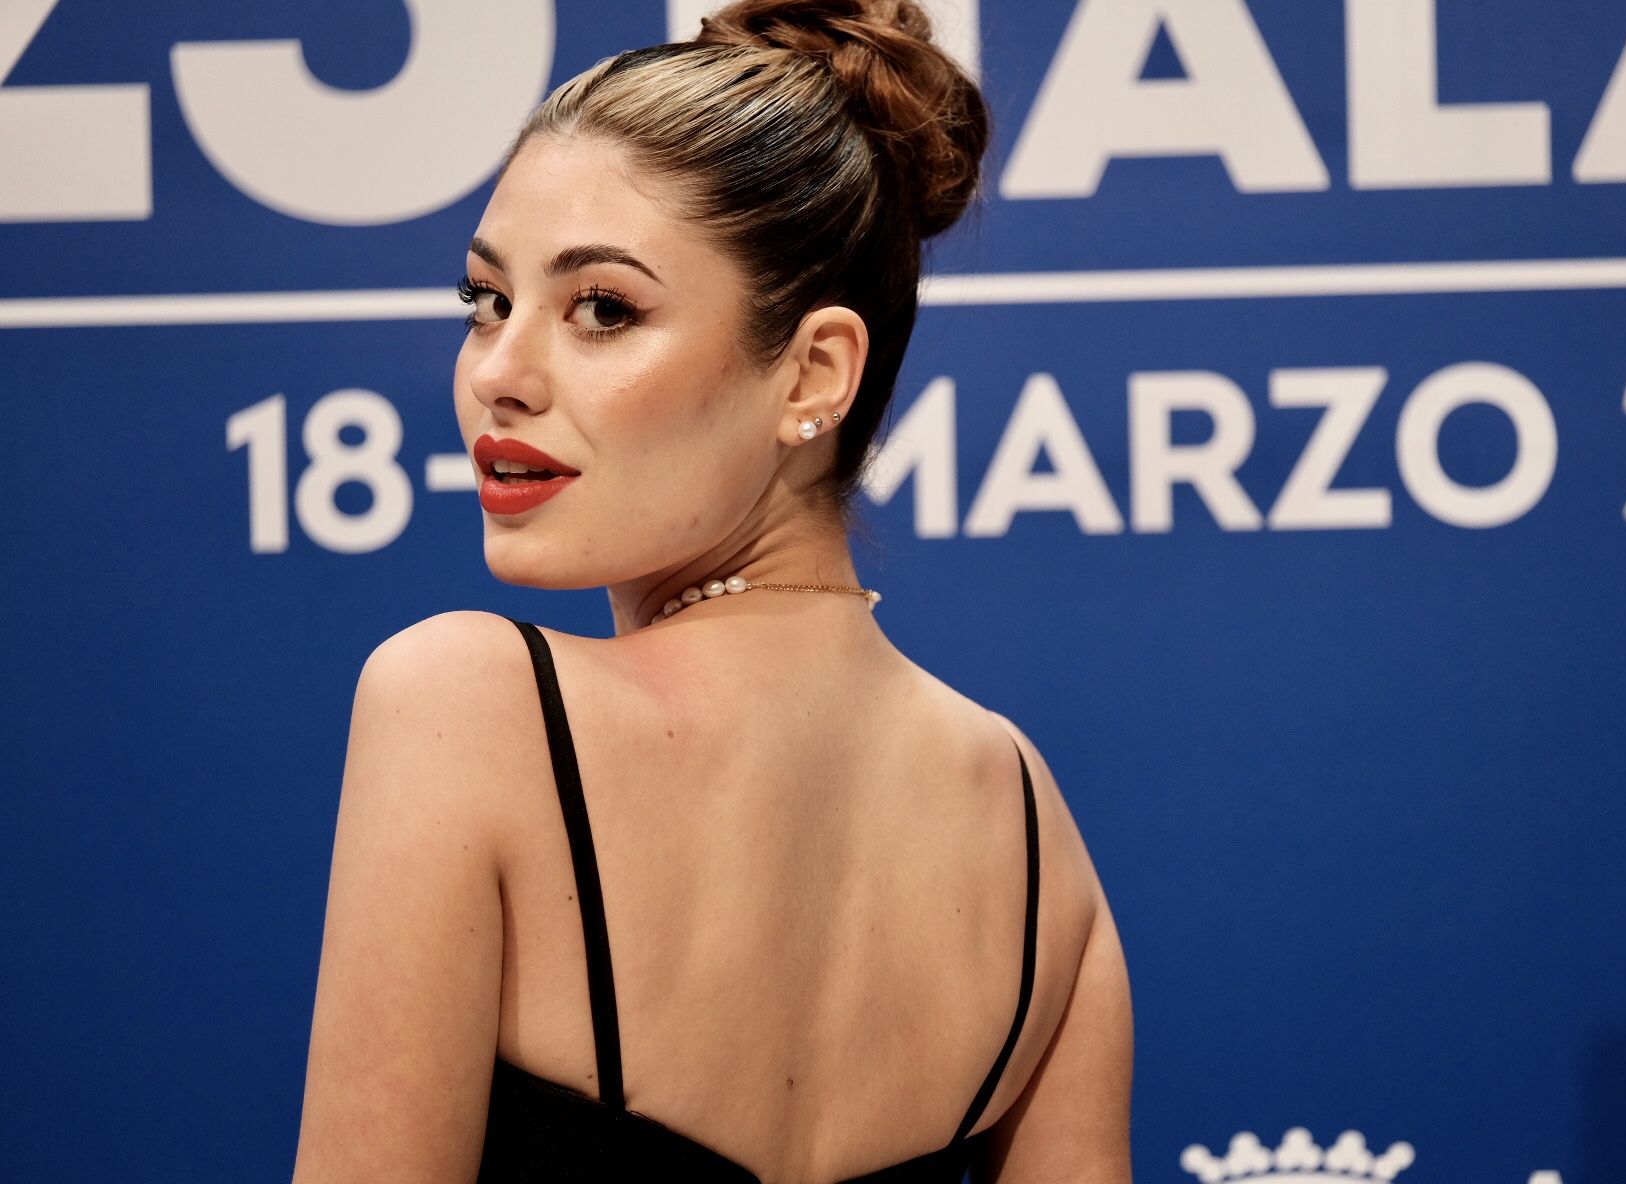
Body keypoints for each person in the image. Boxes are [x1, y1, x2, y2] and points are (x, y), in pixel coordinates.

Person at [290, 2, 1133, 1180]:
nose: (498, 374)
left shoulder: (469, 707)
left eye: (603, 309)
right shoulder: (1034, 831)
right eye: (487, 300)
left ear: (815, 370)